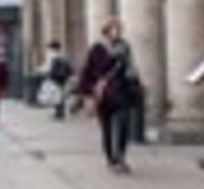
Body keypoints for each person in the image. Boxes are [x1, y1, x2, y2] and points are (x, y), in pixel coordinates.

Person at [79, 17, 139, 173]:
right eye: (115, 28)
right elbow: (89, 71)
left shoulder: (124, 47)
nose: (118, 32)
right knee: (106, 128)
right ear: (106, 31)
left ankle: (120, 155)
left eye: (119, 28)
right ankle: (110, 159)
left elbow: (130, 68)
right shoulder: (97, 48)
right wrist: (88, 93)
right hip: (104, 93)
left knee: (124, 124)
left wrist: (135, 82)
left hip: (121, 91)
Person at [38, 40, 72, 119]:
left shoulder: (52, 55)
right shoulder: (62, 55)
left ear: (52, 48)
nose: (49, 49)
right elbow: (68, 67)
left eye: (50, 48)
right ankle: (60, 112)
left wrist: (39, 69)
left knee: (56, 94)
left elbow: (48, 66)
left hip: (54, 77)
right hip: (62, 78)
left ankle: (59, 113)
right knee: (60, 94)